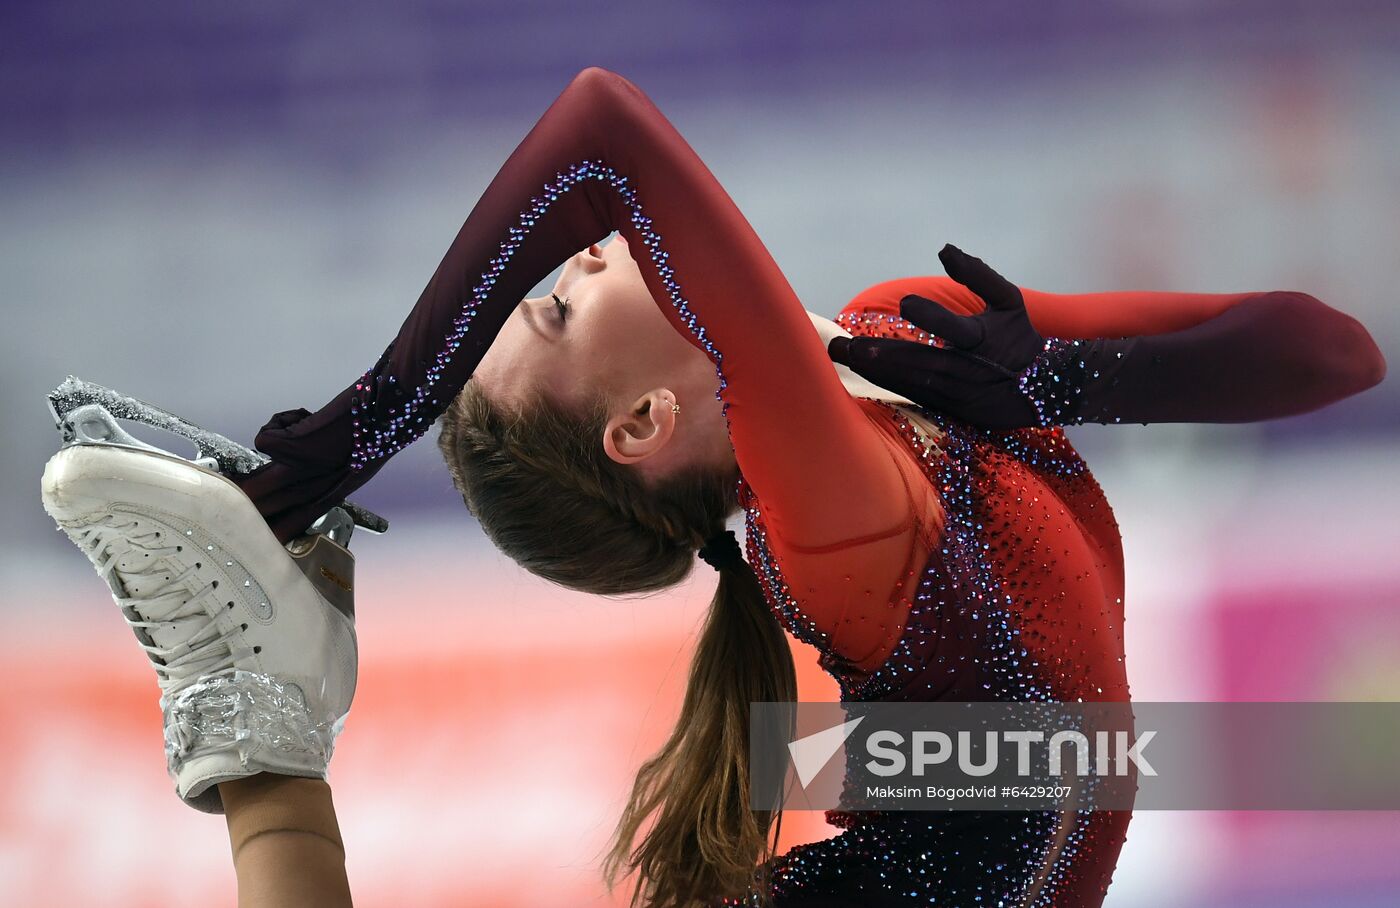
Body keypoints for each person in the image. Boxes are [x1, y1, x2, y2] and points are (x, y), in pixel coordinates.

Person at [42, 67, 1385, 908]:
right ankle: (265, 739)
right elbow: (604, 131)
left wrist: (1071, 378)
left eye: (550, 284)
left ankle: (271, 729)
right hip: (939, 844)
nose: (579, 260)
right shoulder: (834, 517)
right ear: (644, 422)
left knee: (1054, 765)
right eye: (562, 307)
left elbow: (1336, 349)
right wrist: (376, 415)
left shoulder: (911, 343)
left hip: (974, 810)